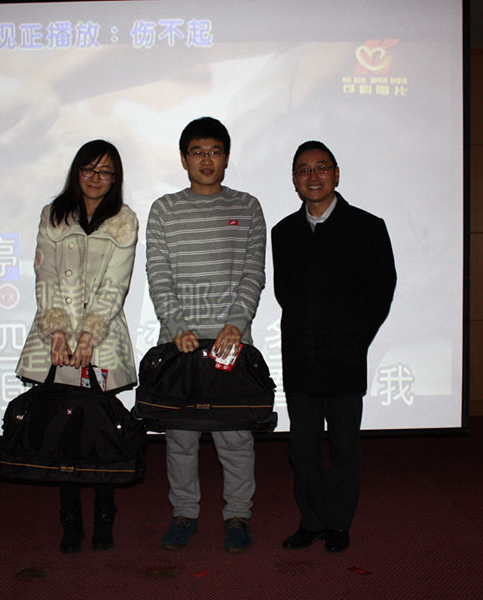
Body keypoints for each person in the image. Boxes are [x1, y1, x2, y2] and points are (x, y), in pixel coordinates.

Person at [146, 117, 266, 553]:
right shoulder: (164, 209)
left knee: (235, 438)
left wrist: (236, 323)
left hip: (230, 341)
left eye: (215, 151)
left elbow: (254, 272)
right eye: (197, 152)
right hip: (178, 342)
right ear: (184, 159)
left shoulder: (247, 206)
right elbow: (158, 274)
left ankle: (238, 516)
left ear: (227, 157)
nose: (206, 160)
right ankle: (184, 513)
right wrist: (178, 326)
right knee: (180, 439)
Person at [271, 141, 396, 553]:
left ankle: (339, 523)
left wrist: (354, 340)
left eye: (321, 167)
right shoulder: (283, 232)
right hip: (301, 357)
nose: (313, 176)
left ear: (336, 174)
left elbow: (381, 291)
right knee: (302, 449)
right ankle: (312, 521)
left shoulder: (367, 227)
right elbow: (285, 294)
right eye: (304, 169)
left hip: (345, 358)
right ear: (294, 179)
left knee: (345, 447)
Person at [16, 139, 139, 554]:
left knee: (100, 431)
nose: (95, 178)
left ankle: (105, 515)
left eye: (105, 172)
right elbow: (45, 276)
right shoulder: (53, 215)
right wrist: (57, 331)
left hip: (102, 339)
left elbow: (115, 285)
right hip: (55, 339)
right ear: (76, 171)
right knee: (62, 431)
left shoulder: (124, 220)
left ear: (115, 178)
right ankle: (70, 519)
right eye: (89, 169)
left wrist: (88, 335)